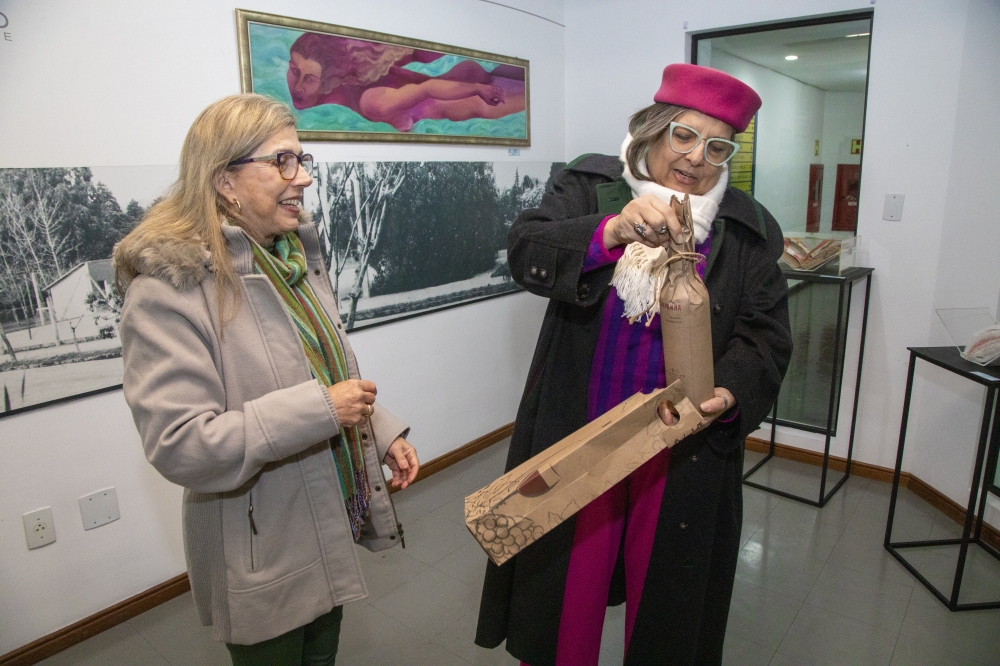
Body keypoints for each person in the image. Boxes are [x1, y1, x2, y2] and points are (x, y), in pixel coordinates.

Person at [475, 64, 792, 666]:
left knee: (667, 602)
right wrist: (611, 231)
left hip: (682, 447)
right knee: (564, 594)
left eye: (717, 147)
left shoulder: (744, 231)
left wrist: (730, 390)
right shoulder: (592, 186)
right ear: (653, 129)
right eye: (684, 135)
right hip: (580, 436)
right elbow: (525, 250)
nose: (696, 158)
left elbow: (766, 335)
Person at [114, 93, 419, 665]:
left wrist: (380, 432)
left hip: (327, 516)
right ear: (224, 180)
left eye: (301, 159)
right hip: (262, 545)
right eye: (282, 161)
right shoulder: (167, 291)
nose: (302, 177)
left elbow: (321, 372)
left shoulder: (292, 259)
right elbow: (181, 444)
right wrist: (324, 411)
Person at [286, 32, 526, 131]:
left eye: (309, 79)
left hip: (477, 100)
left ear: (329, 80)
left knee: (541, 95)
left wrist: (478, 88)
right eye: (295, 71)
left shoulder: (369, 101)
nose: (298, 87)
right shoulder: (364, 75)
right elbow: (419, 54)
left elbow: (428, 88)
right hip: (470, 83)